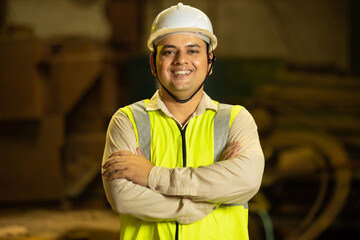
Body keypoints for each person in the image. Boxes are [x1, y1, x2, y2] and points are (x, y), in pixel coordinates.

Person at [101, 3, 264, 240]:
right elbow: (123, 197)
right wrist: (206, 203)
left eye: (193, 51)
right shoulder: (127, 120)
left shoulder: (235, 120)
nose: (181, 60)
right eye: (168, 51)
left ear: (209, 61)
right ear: (152, 63)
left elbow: (247, 181)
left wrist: (152, 176)